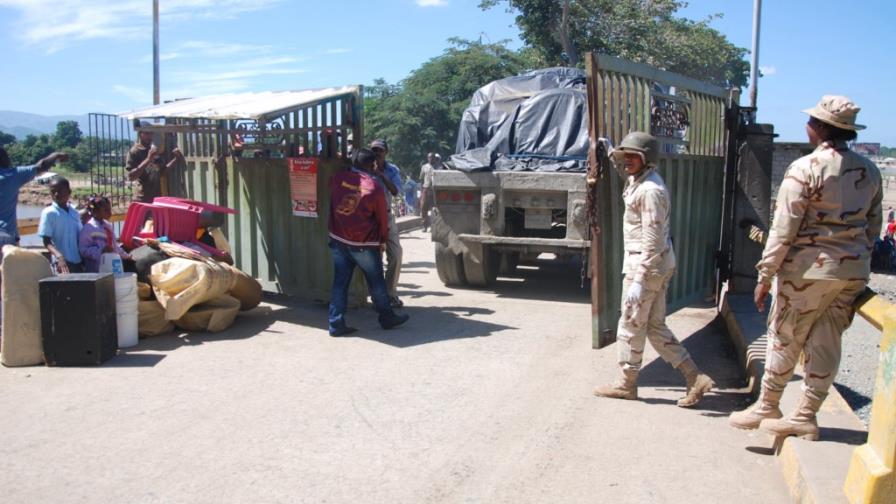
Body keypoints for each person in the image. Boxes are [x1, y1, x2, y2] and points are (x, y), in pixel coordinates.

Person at [729, 96, 882, 440]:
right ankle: (806, 415)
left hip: (808, 272)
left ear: (820, 128)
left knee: (785, 336)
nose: (807, 126)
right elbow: (873, 226)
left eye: (812, 121)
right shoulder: (869, 171)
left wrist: (765, 275)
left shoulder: (806, 168)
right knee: (827, 341)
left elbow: (784, 228)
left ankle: (768, 405)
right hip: (851, 273)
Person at [593, 131, 714, 408]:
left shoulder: (650, 191)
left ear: (647, 160)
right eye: (626, 157)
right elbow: (627, 173)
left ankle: (626, 384)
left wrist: (639, 279)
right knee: (655, 326)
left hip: (647, 265)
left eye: (633, 157)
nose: (627, 162)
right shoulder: (640, 180)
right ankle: (695, 377)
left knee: (631, 324)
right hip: (654, 264)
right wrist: (612, 153)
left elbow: (653, 238)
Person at [327, 148, 409, 336]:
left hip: (339, 239)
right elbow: (381, 219)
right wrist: (381, 241)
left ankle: (335, 323)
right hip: (363, 243)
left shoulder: (338, 178)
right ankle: (387, 318)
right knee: (377, 283)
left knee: (340, 283)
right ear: (372, 165)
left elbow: (332, 200)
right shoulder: (373, 187)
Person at [0, 147, 69, 248]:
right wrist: (56, 155)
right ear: (4, 159)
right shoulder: (12, 175)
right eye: (7, 157)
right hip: (4, 234)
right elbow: (41, 166)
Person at [369, 139, 405, 308]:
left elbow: (396, 191)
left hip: (387, 216)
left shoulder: (392, 170)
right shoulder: (364, 167)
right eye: (374, 150)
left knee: (396, 255)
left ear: (386, 152)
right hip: (369, 219)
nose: (376, 153)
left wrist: (381, 175)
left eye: (380, 150)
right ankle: (378, 297)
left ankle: (390, 293)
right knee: (375, 257)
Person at [38, 176, 84, 274]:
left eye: (60, 190)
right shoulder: (49, 213)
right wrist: (59, 257)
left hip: (78, 261)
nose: (56, 194)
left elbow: (79, 237)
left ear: (69, 192)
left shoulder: (74, 212)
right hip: (62, 264)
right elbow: (46, 241)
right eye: (53, 191)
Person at [126, 129, 184, 203]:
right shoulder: (134, 152)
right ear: (140, 133)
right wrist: (148, 159)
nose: (149, 136)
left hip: (156, 199)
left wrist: (175, 159)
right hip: (142, 199)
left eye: (151, 133)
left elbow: (162, 172)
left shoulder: (153, 150)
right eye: (147, 133)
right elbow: (131, 177)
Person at [79, 195, 130, 272]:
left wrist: (126, 256)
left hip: (111, 266)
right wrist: (101, 251)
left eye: (110, 209)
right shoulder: (88, 229)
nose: (109, 213)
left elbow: (114, 246)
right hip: (96, 269)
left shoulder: (107, 225)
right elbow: (84, 250)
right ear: (95, 212)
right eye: (105, 210)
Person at [419, 152, 440, 232]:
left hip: (435, 190)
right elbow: (421, 179)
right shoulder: (424, 167)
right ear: (427, 158)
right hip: (426, 189)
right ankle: (424, 226)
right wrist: (421, 191)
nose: (430, 159)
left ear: (435, 158)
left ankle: (433, 226)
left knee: (434, 209)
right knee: (423, 208)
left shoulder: (439, 167)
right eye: (429, 157)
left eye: (432, 157)